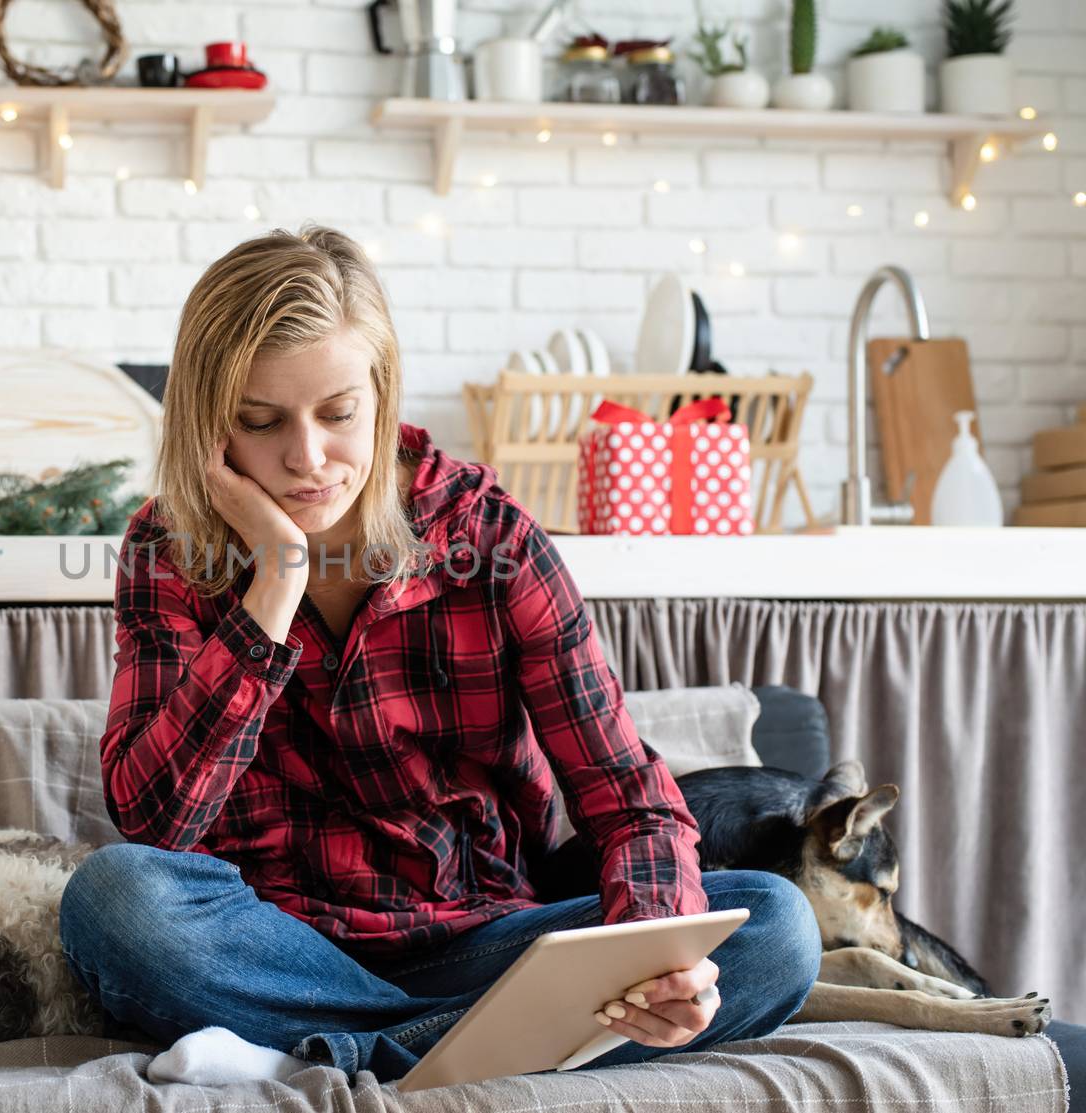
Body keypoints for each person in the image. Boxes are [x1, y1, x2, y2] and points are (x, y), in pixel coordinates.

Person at [58, 225, 823, 1085]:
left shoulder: (492, 538)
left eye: (339, 413)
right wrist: (274, 580)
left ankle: (308, 1058)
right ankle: (456, 1051)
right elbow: (157, 824)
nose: (307, 459)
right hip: (271, 948)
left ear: (382, 398)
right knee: (114, 900)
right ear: (208, 424)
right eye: (260, 421)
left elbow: (629, 800)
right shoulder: (168, 547)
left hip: (484, 940)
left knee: (776, 926)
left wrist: (656, 952)